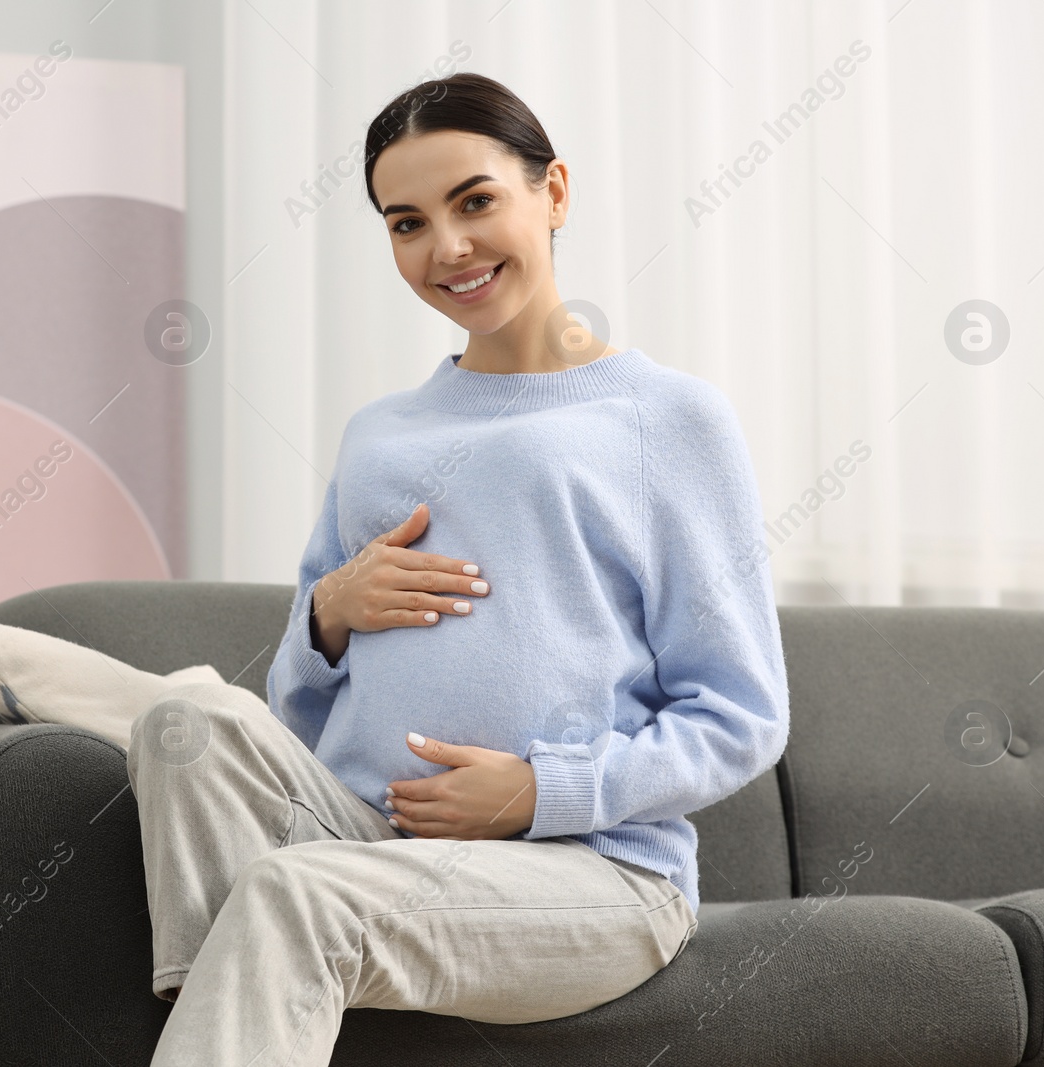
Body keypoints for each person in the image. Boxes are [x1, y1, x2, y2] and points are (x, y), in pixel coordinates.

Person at [125, 70, 790, 1065]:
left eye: (474, 201)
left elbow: (742, 715)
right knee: (181, 722)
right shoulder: (379, 432)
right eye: (406, 222)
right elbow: (298, 712)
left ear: (553, 193)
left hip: (594, 873)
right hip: (367, 843)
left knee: (292, 892)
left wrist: (539, 791)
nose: (447, 248)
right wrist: (328, 615)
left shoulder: (667, 421)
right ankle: (238, 1014)